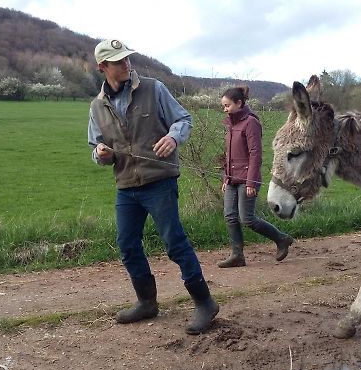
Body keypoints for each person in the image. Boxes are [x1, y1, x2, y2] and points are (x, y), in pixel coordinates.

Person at [88, 38, 219, 334]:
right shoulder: (97, 106)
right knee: (127, 244)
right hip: (126, 185)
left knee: (174, 242)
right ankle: (147, 302)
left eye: (127, 58)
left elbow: (183, 119)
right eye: (119, 61)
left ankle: (205, 303)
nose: (126, 63)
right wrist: (101, 154)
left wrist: (173, 137)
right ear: (102, 67)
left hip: (159, 181)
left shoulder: (154, 88)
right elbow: (96, 149)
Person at [219, 86, 294, 268]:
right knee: (230, 216)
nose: (225, 109)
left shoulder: (251, 122)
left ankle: (281, 239)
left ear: (239, 103)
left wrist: (251, 181)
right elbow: (228, 154)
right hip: (232, 179)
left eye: (227, 105)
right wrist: (225, 177)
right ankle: (237, 256)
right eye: (223, 106)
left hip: (247, 179)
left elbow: (255, 154)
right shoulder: (231, 123)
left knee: (247, 219)